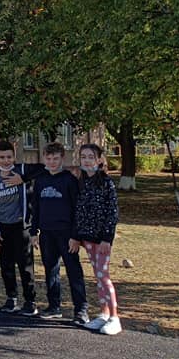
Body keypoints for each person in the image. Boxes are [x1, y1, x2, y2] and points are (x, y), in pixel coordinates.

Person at [30, 142, 89, 325]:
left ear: (62, 158)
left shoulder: (69, 180)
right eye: (48, 158)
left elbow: (78, 210)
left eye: (55, 158)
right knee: (50, 269)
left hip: (67, 234)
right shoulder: (40, 180)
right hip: (46, 233)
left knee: (73, 271)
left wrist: (76, 236)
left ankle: (81, 310)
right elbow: (36, 208)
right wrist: (33, 231)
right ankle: (54, 306)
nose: (52, 162)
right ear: (44, 159)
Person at [0, 141, 41, 315]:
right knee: (6, 265)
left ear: (14, 157)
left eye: (9, 157)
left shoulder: (22, 170)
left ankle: (30, 301)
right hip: (3, 228)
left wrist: (23, 179)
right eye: (2, 157)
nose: (6, 160)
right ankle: (11, 298)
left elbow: (43, 169)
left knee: (25, 266)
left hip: (21, 227)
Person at [73, 143, 121, 335]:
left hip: (102, 240)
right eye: (83, 157)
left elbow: (112, 213)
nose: (86, 160)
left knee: (103, 275)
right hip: (87, 238)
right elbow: (79, 211)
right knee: (97, 275)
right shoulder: (81, 182)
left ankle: (114, 317)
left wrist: (106, 239)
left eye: (91, 157)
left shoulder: (106, 183)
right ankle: (104, 313)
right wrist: (78, 236)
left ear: (99, 160)